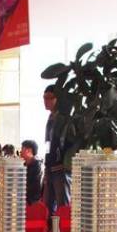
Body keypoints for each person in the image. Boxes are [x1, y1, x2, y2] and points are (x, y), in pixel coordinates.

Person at [43, 84, 71, 213]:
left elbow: (67, 143)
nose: (46, 101)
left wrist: (63, 163)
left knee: (62, 205)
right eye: (44, 98)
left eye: (49, 98)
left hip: (61, 168)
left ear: (58, 99)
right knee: (48, 205)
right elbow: (48, 143)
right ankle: (52, 226)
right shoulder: (51, 118)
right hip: (50, 166)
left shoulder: (65, 118)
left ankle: (60, 226)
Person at [20, 140, 43, 205]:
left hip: (32, 200)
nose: (20, 151)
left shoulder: (37, 166)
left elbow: (33, 186)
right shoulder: (24, 164)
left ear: (29, 151)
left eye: (22, 149)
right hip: (24, 198)